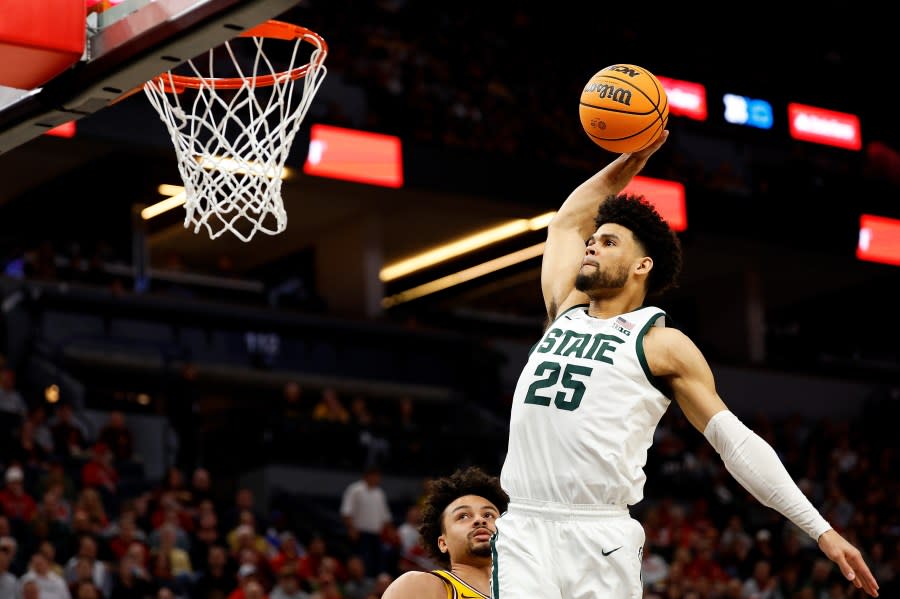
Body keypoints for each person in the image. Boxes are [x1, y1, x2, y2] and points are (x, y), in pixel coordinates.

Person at [494, 130, 881, 598]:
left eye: (609, 242)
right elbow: (568, 221)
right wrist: (633, 157)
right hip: (524, 525)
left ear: (642, 267)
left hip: (599, 535)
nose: (591, 246)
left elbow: (733, 441)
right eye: (593, 241)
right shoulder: (564, 308)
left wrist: (821, 529)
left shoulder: (661, 344)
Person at [382, 466, 509, 599]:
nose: (479, 520)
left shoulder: (526, 590)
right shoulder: (421, 585)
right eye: (463, 516)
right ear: (443, 543)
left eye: (488, 515)